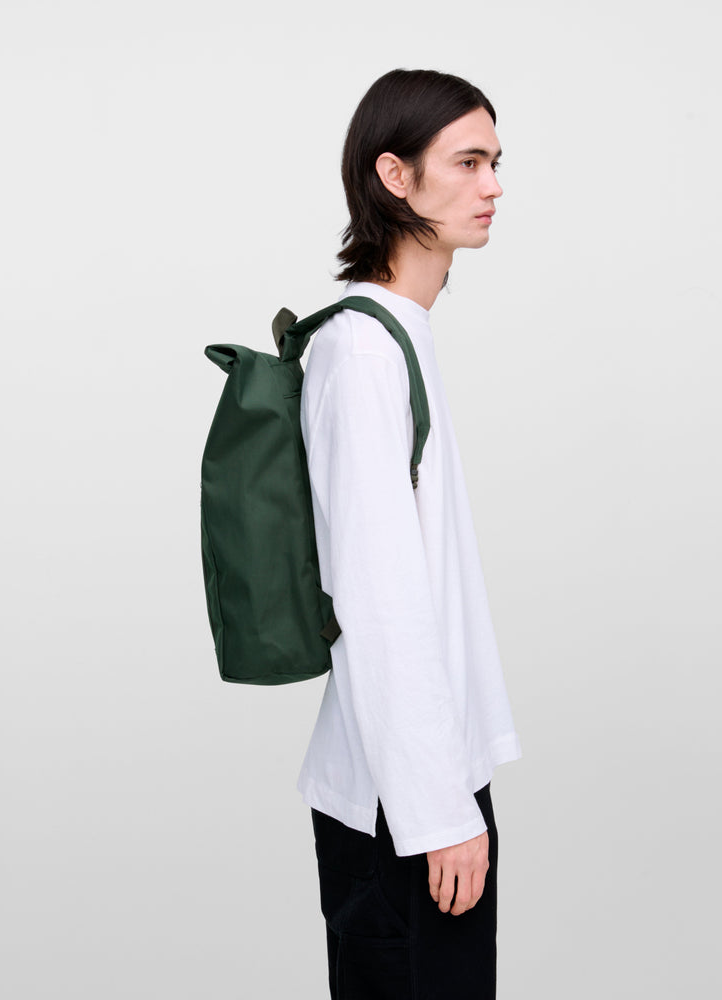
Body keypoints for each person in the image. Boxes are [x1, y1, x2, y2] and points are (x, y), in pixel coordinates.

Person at [297, 68, 523, 999]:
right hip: (402, 801)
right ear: (394, 176)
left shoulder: (400, 332)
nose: (493, 185)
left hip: (430, 778)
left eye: (496, 162)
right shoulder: (361, 350)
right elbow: (377, 597)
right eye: (467, 162)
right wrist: (439, 812)